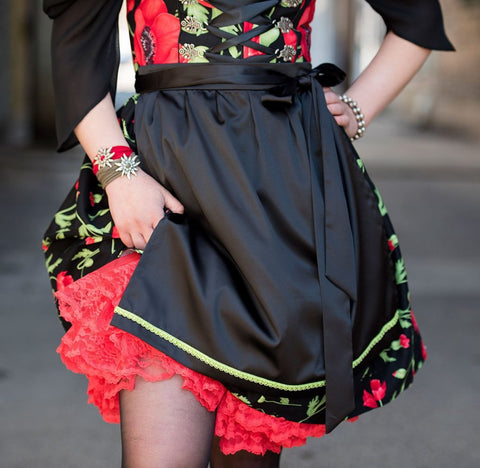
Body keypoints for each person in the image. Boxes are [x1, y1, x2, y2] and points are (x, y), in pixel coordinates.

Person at [42, 0, 453, 466]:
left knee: (247, 457)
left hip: (281, 196)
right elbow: (77, 45)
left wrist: (357, 109)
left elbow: (417, 20)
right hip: (161, 180)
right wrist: (119, 173)